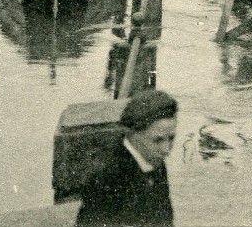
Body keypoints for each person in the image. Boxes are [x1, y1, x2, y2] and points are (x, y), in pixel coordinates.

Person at [75, 90, 179, 227]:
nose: (166, 149)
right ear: (132, 133)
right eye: (157, 140)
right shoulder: (105, 177)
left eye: (171, 138)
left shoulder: (153, 160)